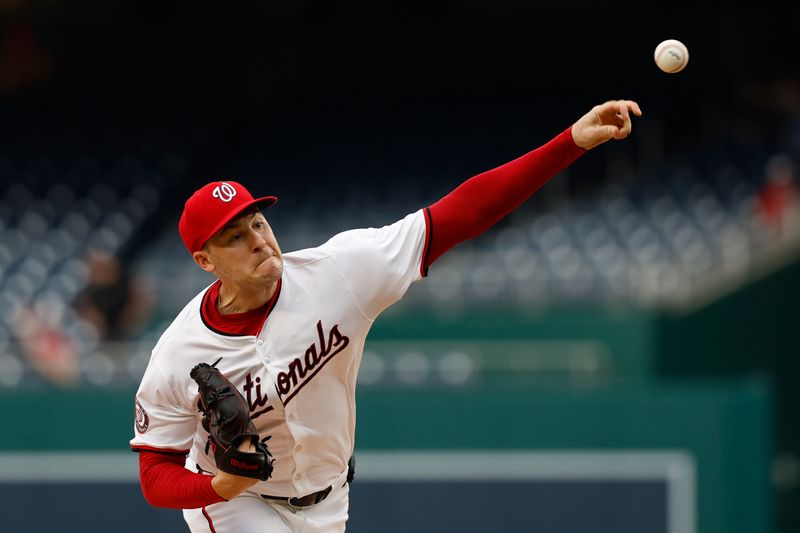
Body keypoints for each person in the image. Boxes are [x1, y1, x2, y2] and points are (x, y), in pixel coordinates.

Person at [130, 99, 642, 532]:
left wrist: (570, 141)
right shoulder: (179, 353)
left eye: (258, 222)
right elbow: (155, 470)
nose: (258, 240)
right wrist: (216, 486)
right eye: (235, 237)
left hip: (327, 500)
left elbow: (460, 214)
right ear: (205, 261)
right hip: (235, 503)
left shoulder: (341, 273)